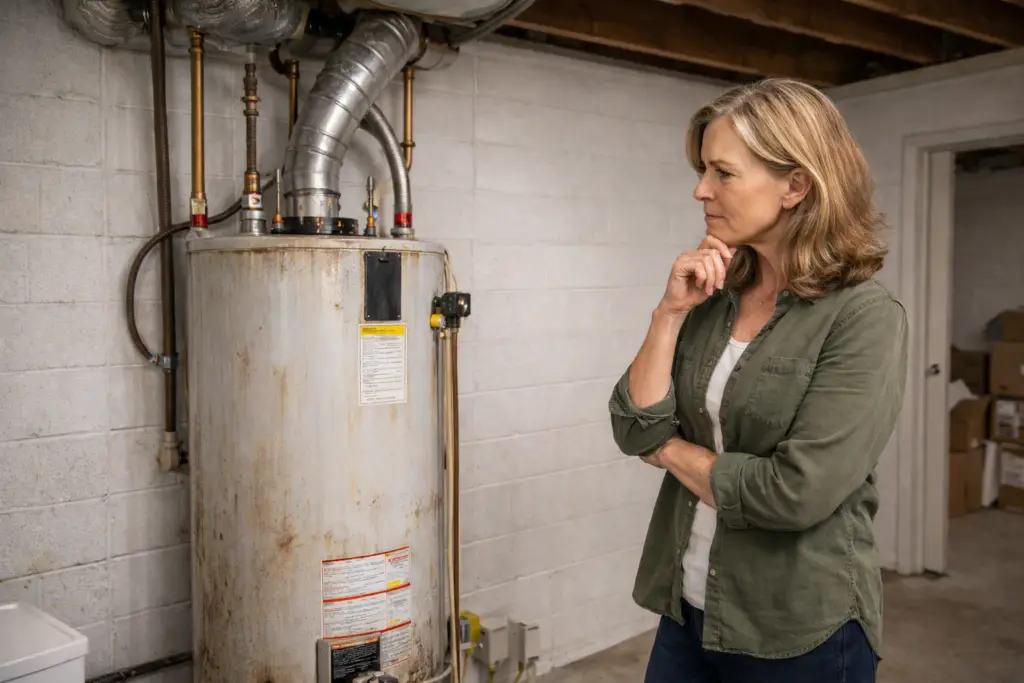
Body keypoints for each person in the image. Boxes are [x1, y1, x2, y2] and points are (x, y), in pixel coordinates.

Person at [608, 78, 909, 683]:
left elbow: (795, 493)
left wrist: (667, 448)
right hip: (688, 606)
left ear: (796, 185)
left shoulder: (863, 316)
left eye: (724, 173)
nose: (701, 190)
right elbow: (631, 421)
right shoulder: (714, 295)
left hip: (797, 628)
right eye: (703, 171)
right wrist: (668, 313)